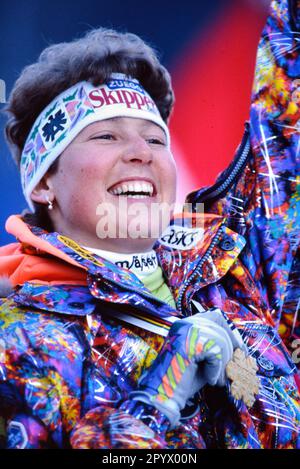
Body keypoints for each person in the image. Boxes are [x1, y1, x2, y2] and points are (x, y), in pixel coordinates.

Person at [0, 0, 299, 449]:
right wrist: (160, 396)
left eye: (156, 138)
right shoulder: (17, 341)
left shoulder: (240, 270)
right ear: (44, 184)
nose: (143, 152)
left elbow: (287, 130)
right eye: (106, 135)